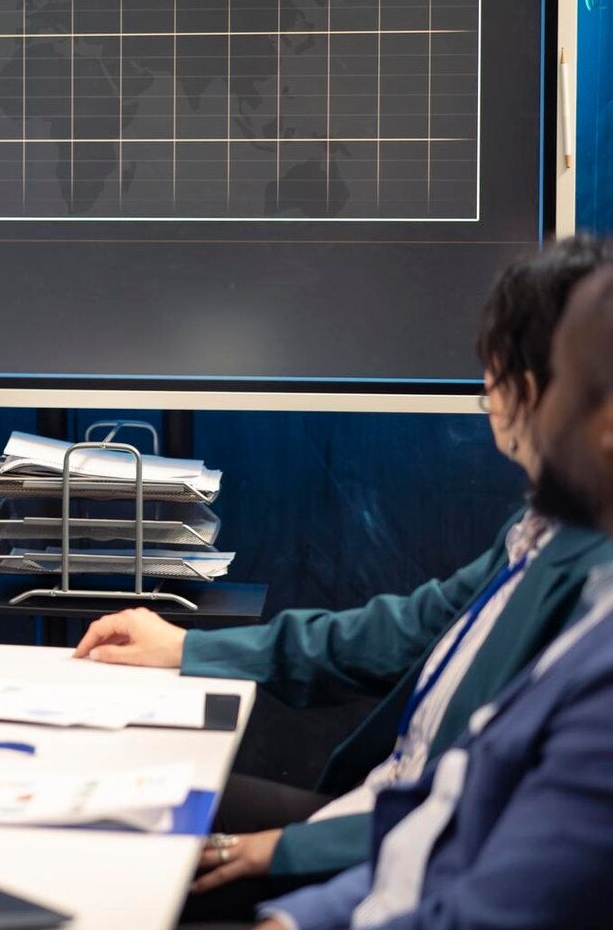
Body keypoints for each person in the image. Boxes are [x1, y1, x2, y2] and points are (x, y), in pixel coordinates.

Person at [72, 236, 613, 919]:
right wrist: (190, 650)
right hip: (376, 827)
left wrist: (289, 853)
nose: (486, 393)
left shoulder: (590, 592)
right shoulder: (535, 532)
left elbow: (468, 828)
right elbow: (400, 632)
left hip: (378, 848)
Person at [249, 263, 613, 930]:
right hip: (376, 860)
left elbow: (480, 879)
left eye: (563, 384)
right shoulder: (535, 536)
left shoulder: (594, 628)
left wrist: (290, 887)